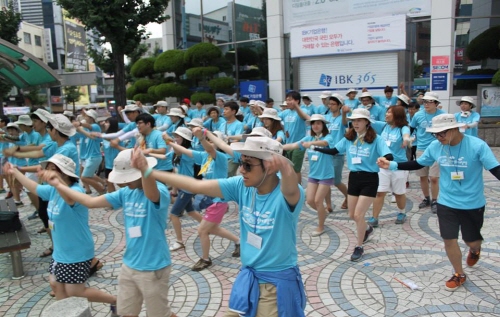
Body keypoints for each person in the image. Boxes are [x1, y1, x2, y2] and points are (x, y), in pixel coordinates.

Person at [134, 136, 306, 317]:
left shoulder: (288, 193)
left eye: (248, 165)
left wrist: (285, 166)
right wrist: (147, 172)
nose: (241, 170)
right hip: (249, 277)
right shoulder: (242, 186)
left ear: (270, 167)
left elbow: (290, 188)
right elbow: (196, 185)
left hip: (275, 284)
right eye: (241, 162)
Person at [42, 148, 177, 317]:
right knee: (125, 312)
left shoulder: (159, 189)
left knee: (160, 314)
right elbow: (89, 202)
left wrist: (144, 169)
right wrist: (58, 184)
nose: (122, 182)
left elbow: (151, 194)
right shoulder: (126, 192)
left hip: (154, 267)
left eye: (127, 177)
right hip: (129, 265)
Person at [377, 114, 500, 292]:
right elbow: (418, 163)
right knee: (449, 239)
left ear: (454, 129)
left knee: (471, 240)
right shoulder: (436, 146)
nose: (438, 137)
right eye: (436, 134)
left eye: (442, 133)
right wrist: (392, 165)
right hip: (447, 202)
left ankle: (475, 249)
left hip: (473, 204)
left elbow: (495, 169)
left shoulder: (477, 146)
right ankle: (459, 274)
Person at [5, 154, 117, 310]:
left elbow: (69, 200)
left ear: (64, 172)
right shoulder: (52, 190)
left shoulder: (75, 190)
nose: (47, 172)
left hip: (76, 250)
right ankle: (66, 312)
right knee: (55, 284)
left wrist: (56, 183)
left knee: (75, 291)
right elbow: (34, 188)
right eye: (47, 169)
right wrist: (14, 171)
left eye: (52, 169)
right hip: (60, 250)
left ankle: (114, 300)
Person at [314, 108, 392, 262]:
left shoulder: (377, 139)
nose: (355, 123)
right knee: (351, 215)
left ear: (367, 122)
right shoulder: (349, 137)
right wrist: (316, 147)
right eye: (353, 120)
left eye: (359, 120)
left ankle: (359, 246)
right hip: (353, 178)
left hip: (370, 179)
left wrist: (385, 159)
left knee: (358, 215)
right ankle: (367, 229)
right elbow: (335, 150)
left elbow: (388, 154)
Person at [166, 127, 240, 270]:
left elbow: (211, 150)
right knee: (213, 229)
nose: (208, 143)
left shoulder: (220, 157)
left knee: (202, 230)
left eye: (211, 141)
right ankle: (238, 241)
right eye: (207, 141)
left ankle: (205, 259)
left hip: (219, 201)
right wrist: (170, 142)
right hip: (208, 199)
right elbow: (186, 151)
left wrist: (201, 138)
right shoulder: (204, 156)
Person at [284, 114, 334, 236]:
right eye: (313, 123)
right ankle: (323, 213)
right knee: (310, 200)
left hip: (326, 174)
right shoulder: (308, 138)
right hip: (313, 175)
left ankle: (321, 226)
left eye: (318, 123)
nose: (315, 126)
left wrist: (311, 144)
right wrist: (277, 147)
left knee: (318, 201)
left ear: (323, 125)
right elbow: (293, 145)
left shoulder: (329, 137)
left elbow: (324, 143)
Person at [369, 106, 410, 226]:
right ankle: (374, 218)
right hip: (383, 165)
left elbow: (406, 134)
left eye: (390, 113)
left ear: (397, 115)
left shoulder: (403, 128)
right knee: (380, 192)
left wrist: (406, 140)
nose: (386, 114)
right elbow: (368, 121)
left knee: (399, 192)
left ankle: (402, 212)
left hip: (399, 166)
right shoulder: (383, 126)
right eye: (386, 112)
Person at [410, 92, 446, 213]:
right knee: (423, 176)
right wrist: (410, 138)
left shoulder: (443, 115)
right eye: (425, 101)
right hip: (421, 149)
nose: (426, 104)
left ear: (436, 103)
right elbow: (412, 128)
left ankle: (435, 200)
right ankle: (427, 198)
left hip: (438, 149)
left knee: (434, 177)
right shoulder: (418, 115)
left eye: (430, 101)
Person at [280, 91, 311, 184]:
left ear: (297, 101)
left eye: (290, 100)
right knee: (287, 168)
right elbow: (273, 118)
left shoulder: (303, 110)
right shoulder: (285, 112)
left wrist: (296, 107)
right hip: (287, 144)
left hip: (299, 145)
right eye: (287, 100)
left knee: (296, 169)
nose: (288, 102)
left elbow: (306, 117)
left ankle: (298, 189)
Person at [325, 94, 349, 210]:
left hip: (337, 153)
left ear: (340, 105)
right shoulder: (327, 117)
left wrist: (344, 113)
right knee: (324, 179)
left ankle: (349, 196)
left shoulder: (342, 118)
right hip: (325, 152)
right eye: (330, 104)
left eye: (333, 104)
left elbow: (345, 123)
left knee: (336, 181)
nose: (331, 106)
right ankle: (328, 205)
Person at [221, 101, 245, 177]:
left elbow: (237, 139)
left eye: (226, 109)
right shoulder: (222, 124)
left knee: (228, 174)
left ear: (233, 111)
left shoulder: (239, 124)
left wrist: (225, 142)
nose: (224, 111)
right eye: (224, 109)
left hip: (232, 155)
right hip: (222, 154)